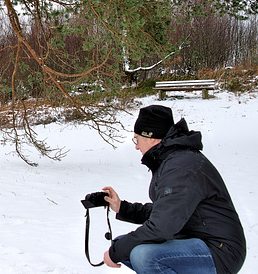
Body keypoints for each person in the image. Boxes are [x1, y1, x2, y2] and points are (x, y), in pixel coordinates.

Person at [101, 105, 246, 274]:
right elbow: (166, 212)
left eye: (137, 139)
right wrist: (122, 208)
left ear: (152, 138)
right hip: (194, 239)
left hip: (220, 250)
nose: (136, 146)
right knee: (123, 244)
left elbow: (162, 227)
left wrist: (115, 253)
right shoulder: (172, 160)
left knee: (144, 255)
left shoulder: (181, 167)